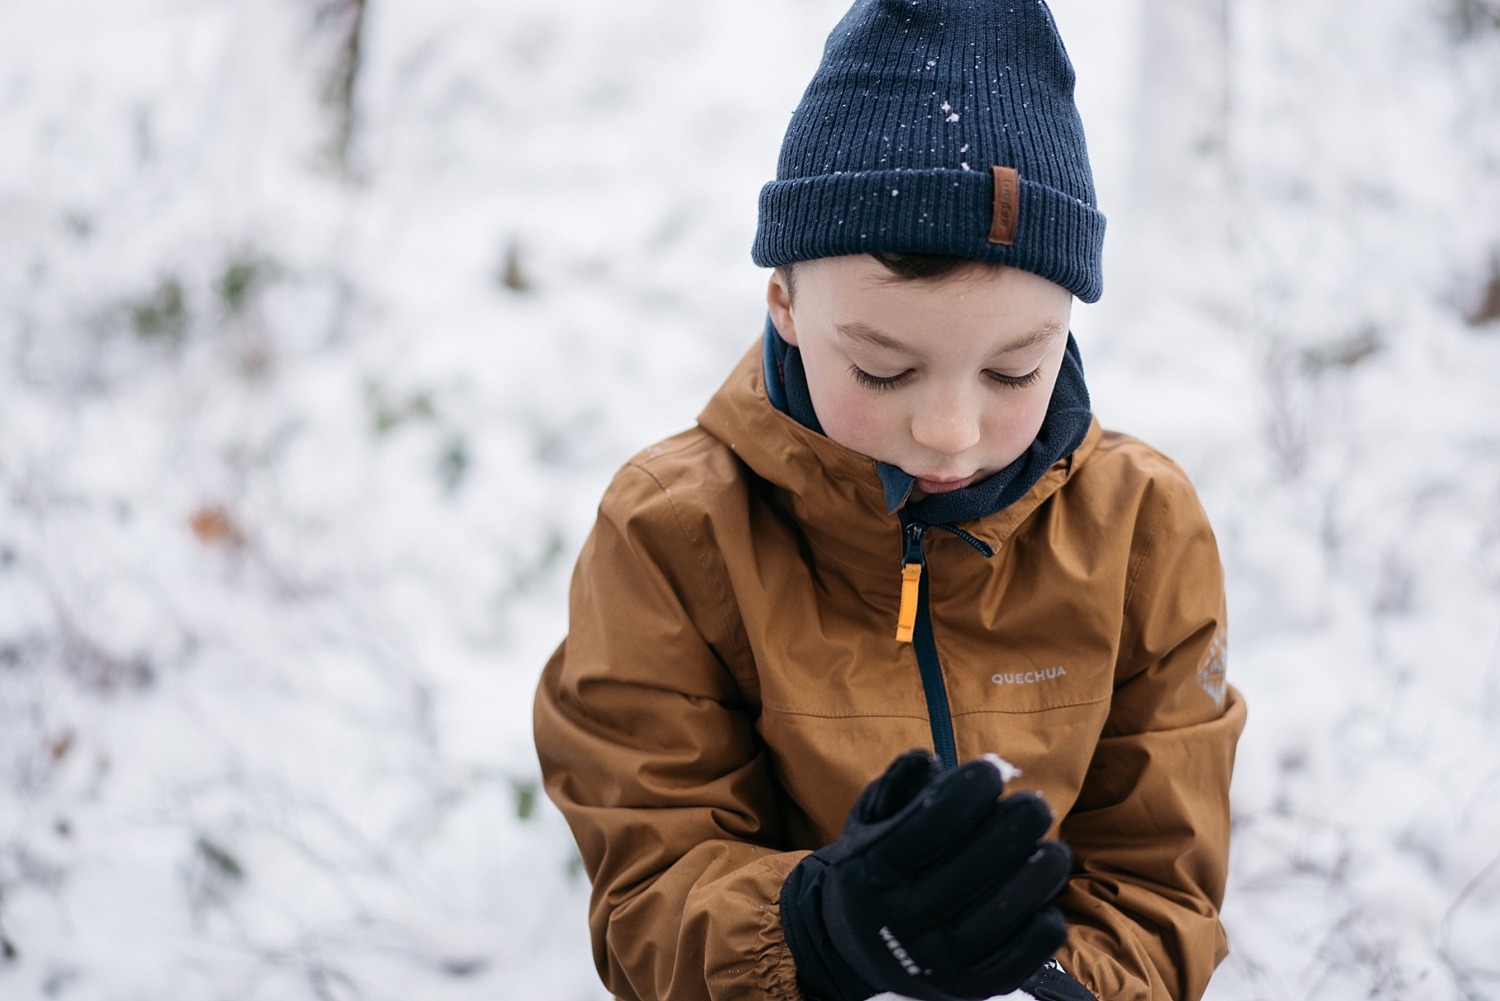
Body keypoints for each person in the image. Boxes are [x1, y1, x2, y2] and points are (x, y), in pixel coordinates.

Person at [533, 1, 1246, 999]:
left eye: (1014, 368)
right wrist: (819, 930)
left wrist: (1046, 988)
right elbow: (650, 892)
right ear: (783, 299)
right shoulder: (671, 535)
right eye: (880, 367)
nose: (949, 430)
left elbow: (1161, 886)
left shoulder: (1143, 530)